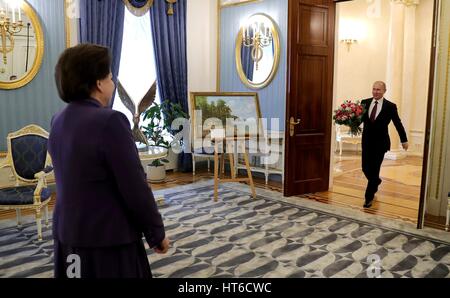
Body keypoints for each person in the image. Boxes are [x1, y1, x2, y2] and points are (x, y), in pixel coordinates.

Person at [49, 43, 169, 278]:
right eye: (111, 78)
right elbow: (134, 187)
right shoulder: (110, 121)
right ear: (98, 83)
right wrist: (156, 233)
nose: (113, 85)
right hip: (107, 240)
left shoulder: (58, 120)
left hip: (68, 237)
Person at [360, 81, 408, 208]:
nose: (375, 92)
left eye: (378, 90)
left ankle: (368, 198)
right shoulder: (364, 102)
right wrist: (348, 118)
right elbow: (358, 119)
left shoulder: (390, 106)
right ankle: (376, 181)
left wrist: (404, 140)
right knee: (365, 168)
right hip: (366, 142)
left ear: (384, 91)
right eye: (374, 89)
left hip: (380, 143)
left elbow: (398, 123)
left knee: (375, 169)